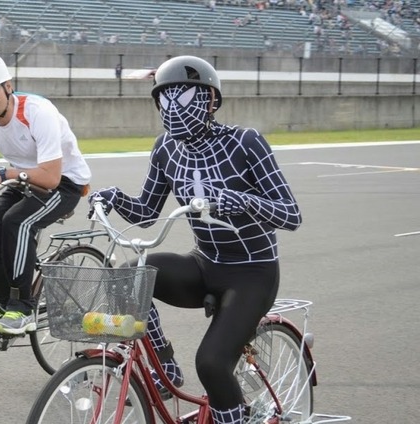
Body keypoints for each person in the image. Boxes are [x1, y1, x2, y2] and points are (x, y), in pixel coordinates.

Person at [88, 56, 301, 424]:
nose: (173, 108)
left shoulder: (246, 142)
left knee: (213, 364)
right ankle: (166, 366)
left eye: (184, 98)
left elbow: (291, 214)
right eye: (165, 100)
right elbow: (146, 212)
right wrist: (114, 198)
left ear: (211, 101)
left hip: (252, 272)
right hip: (205, 263)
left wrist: (243, 201)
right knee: (128, 277)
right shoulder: (166, 148)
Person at [0, 51, 92, 337]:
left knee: (18, 222)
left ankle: (22, 309)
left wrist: (2, 175)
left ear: (7, 86)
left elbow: (50, 178)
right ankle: (8, 310)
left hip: (65, 183)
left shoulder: (38, 112)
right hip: (23, 179)